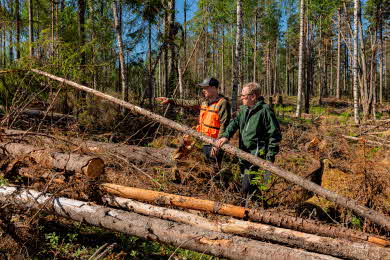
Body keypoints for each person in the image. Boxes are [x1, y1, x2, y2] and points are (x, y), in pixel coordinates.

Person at [215, 82, 282, 199]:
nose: (241, 98)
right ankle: (258, 207)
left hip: (256, 157)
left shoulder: (265, 111)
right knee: (249, 186)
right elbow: (234, 124)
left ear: (253, 96)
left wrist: (270, 157)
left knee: (246, 188)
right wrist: (225, 136)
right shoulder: (244, 109)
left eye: (243, 96)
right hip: (243, 154)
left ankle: (243, 211)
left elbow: (274, 135)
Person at [156, 77, 231, 171]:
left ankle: (218, 183)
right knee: (187, 154)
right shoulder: (203, 101)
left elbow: (225, 124)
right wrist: (170, 100)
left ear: (214, 88)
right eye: (203, 88)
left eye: (206, 88)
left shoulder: (222, 103)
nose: (203, 90)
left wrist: (217, 144)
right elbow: (187, 102)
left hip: (214, 142)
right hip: (201, 139)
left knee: (214, 169)